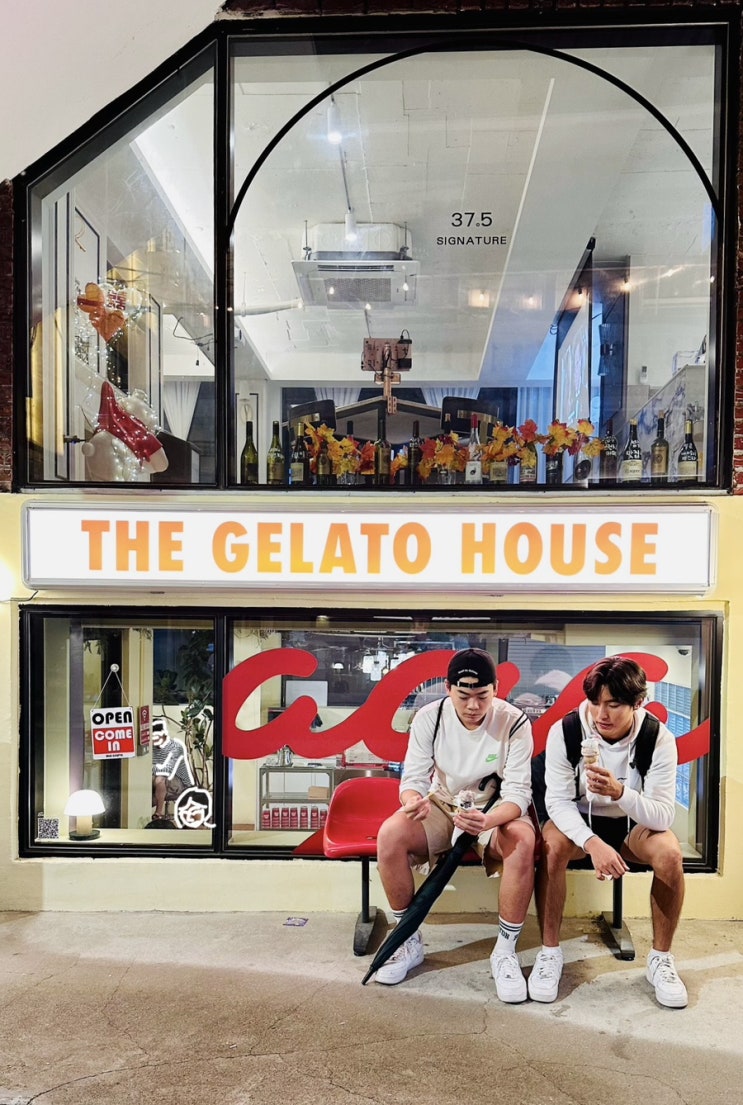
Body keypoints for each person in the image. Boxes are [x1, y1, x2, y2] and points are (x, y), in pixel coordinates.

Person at [374, 648, 536, 1001]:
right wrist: (412, 801)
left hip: (493, 808)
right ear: (448, 689)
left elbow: (518, 794)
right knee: (390, 834)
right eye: (463, 696)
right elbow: (413, 779)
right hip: (443, 803)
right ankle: (407, 938)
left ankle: (505, 950)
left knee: (523, 841)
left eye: (483, 696)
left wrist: (487, 820)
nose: (473, 706)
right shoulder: (429, 718)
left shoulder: (514, 722)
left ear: (496, 689)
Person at [530, 655, 687, 1008]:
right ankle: (550, 952)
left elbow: (663, 815)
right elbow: (557, 803)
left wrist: (620, 793)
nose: (602, 714)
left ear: (637, 702)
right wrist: (591, 842)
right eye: (595, 701)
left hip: (634, 827)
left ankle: (661, 960)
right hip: (579, 825)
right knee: (551, 845)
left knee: (670, 853)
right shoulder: (566, 731)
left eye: (614, 704)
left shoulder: (657, 738)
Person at [151, 718, 195, 821]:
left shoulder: (176, 747)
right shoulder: (150, 747)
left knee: (159, 779)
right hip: (160, 780)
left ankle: (158, 813)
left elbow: (167, 770)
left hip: (181, 783)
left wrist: (151, 770)